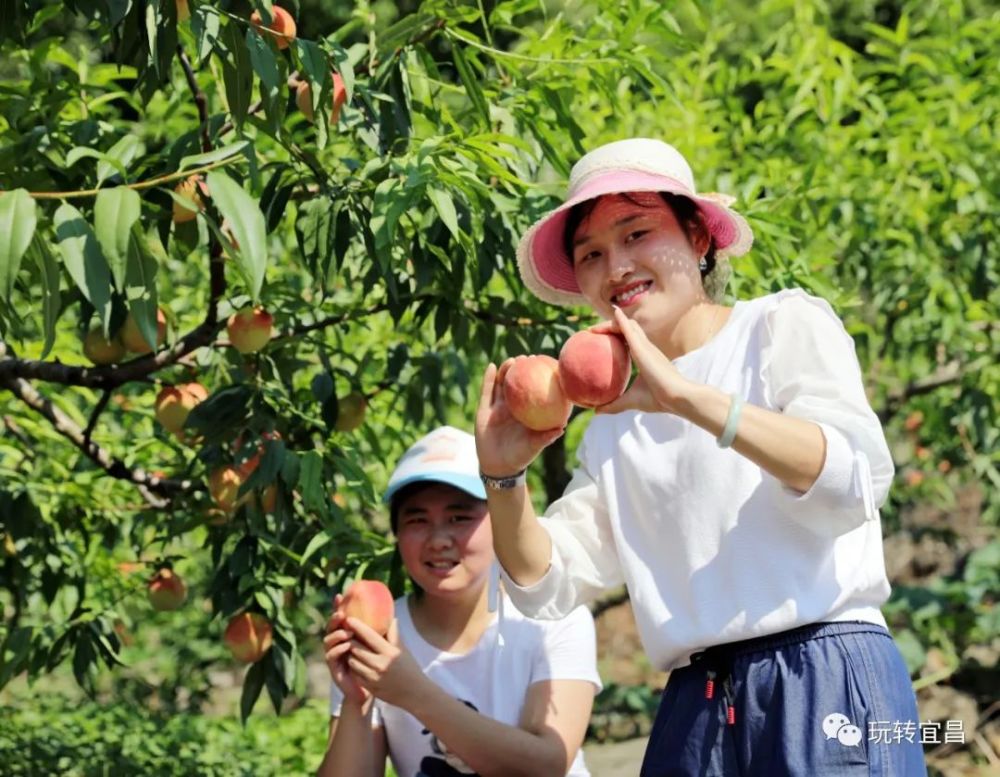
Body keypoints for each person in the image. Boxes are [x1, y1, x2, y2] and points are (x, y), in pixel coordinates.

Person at [474, 138, 926, 776]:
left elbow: (850, 479)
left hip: (823, 672)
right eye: (592, 255)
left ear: (698, 237)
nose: (617, 266)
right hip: (697, 704)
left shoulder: (778, 327)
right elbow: (549, 583)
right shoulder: (612, 420)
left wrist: (688, 399)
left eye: (638, 234)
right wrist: (505, 476)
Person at [318, 426, 601, 777]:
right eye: (417, 519)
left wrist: (412, 691)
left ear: (498, 522)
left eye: (459, 517)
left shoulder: (554, 619)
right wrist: (357, 701)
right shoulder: (378, 637)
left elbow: (547, 764)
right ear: (397, 534)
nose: (438, 539)